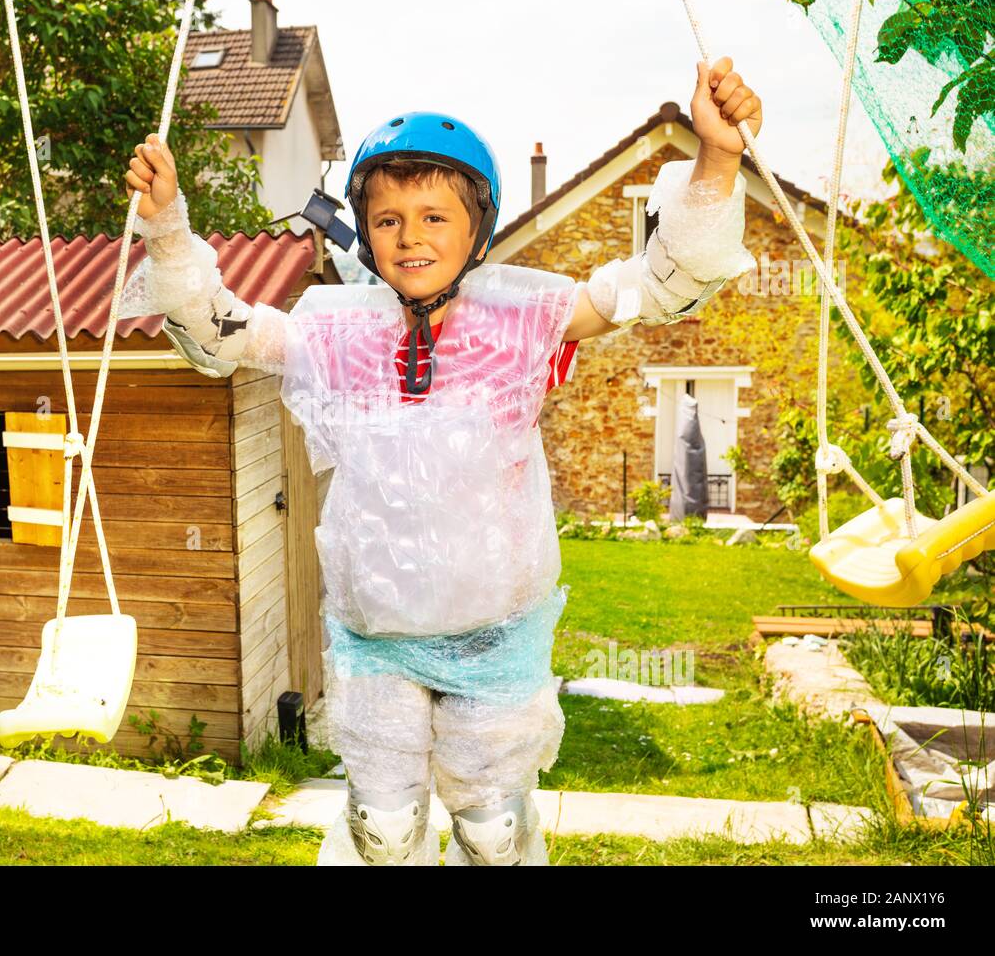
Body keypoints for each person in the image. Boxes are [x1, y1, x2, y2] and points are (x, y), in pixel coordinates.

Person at [120, 57, 762, 865]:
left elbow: (662, 284)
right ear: (366, 231)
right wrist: (168, 225)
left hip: (494, 640)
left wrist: (718, 159)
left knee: (492, 835)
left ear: (477, 230)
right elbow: (219, 332)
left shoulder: (525, 322)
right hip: (375, 638)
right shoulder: (337, 333)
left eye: (434, 217)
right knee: (384, 835)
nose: (410, 236)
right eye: (387, 220)